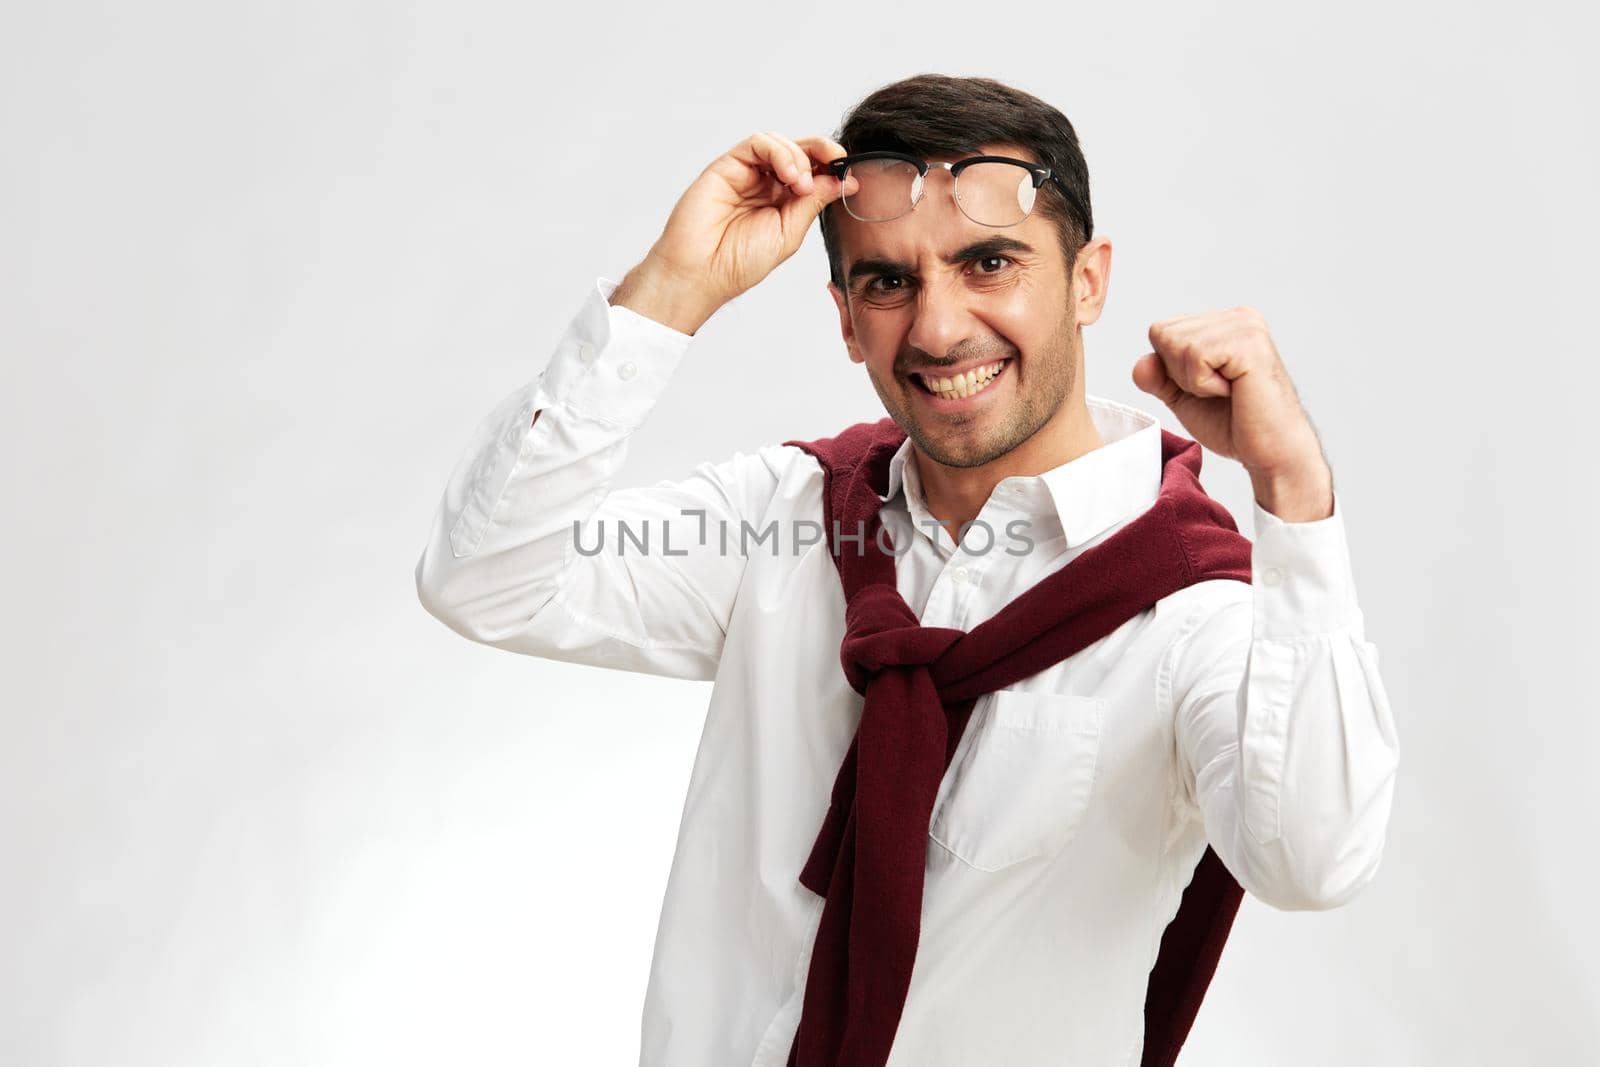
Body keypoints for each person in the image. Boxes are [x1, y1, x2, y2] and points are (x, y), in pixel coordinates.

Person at [414, 73, 1399, 1067]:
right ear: (845, 317)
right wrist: (671, 288)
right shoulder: (791, 517)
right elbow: (487, 574)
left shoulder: (1194, 608)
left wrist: (1293, 487)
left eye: (989, 261)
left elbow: (1312, 859)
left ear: (1087, 280)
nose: (935, 328)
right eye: (888, 280)